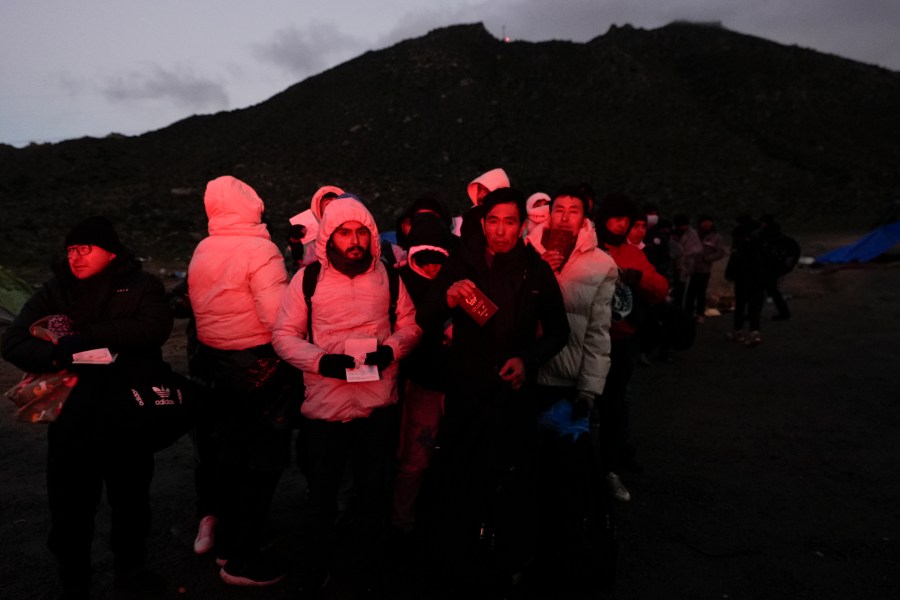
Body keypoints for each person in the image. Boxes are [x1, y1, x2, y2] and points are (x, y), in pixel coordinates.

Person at [1, 216, 174, 599]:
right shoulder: (55, 288)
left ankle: (130, 572)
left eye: (85, 248)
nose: (76, 256)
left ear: (109, 251)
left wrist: (84, 338)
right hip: (71, 417)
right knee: (69, 505)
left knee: (130, 500)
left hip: (128, 412)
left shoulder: (141, 284)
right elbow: (13, 340)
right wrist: (54, 354)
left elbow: (153, 327)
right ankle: (74, 581)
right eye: (71, 249)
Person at [417, 187, 569, 595]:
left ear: (522, 226)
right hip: (466, 389)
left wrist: (528, 360)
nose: (501, 230)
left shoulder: (534, 270)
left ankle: (506, 559)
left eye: (510, 222)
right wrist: (446, 299)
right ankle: (453, 560)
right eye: (493, 221)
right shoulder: (460, 262)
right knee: (459, 473)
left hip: (512, 391)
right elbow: (425, 316)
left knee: (510, 479)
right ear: (482, 223)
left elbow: (559, 331)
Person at [272, 194, 421, 596]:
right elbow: (283, 336)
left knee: (373, 494)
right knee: (322, 495)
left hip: (378, 405)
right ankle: (316, 567)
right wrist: (323, 362)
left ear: (371, 234)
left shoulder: (388, 275)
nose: (353, 240)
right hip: (325, 408)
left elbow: (409, 324)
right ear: (328, 237)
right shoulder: (307, 280)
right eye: (343, 232)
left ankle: (367, 570)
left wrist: (391, 349)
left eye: (360, 231)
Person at [187, 175, 292, 586]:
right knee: (262, 463)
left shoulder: (202, 249)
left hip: (216, 365)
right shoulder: (260, 250)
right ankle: (243, 559)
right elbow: (276, 319)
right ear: (253, 205)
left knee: (230, 459)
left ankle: (230, 542)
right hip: (260, 368)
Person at [526, 186, 618, 590]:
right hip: (525, 378)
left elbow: (599, 333)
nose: (563, 217)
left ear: (585, 217)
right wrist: (539, 273)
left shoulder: (601, 264)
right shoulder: (523, 252)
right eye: (557, 209)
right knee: (526, 471)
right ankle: (522, 551)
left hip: (566, 384)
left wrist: (590, 389)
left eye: (572, 211)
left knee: (567, 477)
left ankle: (564, 561)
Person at [594, 194, 669, 502]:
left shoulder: (632, 254)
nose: (620, 225)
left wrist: (640, 280)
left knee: (613, 405)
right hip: (588, 341)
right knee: (580, 407)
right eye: (615, 219)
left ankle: (609, 468)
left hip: (621, 341)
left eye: (625, 220)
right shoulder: (588, 249)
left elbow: (660, 288)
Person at [390, 212, 454, 535]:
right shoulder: (399, 285)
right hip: (420, 384)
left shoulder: (459, 284)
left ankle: (434, 516)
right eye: (424, 258)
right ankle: (403, 521)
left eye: (438, 258)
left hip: (452, 384)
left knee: (443, 455)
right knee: (414, 456)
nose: (432, 266)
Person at [724, 215, 766, 345]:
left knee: (741, 304)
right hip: (758, 275)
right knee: (754, 305)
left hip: (742, 275)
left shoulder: (740, 237)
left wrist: (730, 273)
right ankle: (755, 332)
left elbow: (736, 256)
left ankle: (738, 331)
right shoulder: (760, 237)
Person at [685, 214, 727, 323]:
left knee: (700, 292)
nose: (706, 225)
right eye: (704, 223)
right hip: (690, 267)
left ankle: (700, 313)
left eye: (708, 223)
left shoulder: (716, 237)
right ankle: (687, 314)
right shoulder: (694, 235)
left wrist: (708, 258)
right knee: (690, 292)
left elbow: (721, 252)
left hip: (704, 269)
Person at [758, 214, 793, 320]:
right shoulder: (776, 234)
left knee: (765, 290)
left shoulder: (768, 235)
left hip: (769, 266)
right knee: (771, 290)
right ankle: (784, 312)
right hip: (773, 266)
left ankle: (755, 313)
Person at [670, 213, 703, 308]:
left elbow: (697, 248)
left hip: (685, 266)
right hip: (672, 266)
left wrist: (683, 253)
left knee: (681, 290)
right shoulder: (672, 233)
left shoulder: (692, 234)